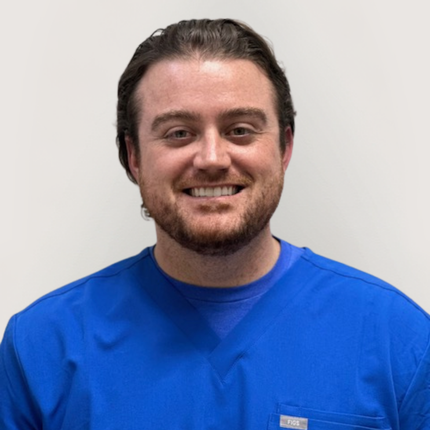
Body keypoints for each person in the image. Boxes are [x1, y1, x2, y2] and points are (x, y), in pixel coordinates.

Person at [0, 18, 429, 430]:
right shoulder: (41, 348)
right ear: (133, 157)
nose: (211, 159)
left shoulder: (399, 341)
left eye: (240, 130)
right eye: (178, 133)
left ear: (284, 147)